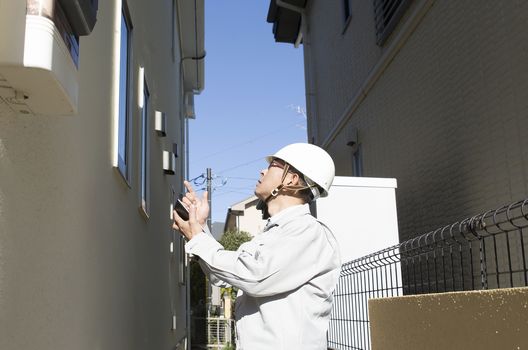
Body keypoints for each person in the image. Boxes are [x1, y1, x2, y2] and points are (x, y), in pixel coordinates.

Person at [173, 143, 341, 350]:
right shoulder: (273, 234)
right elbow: (224, 274)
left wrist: (198, 238)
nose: (263, 170)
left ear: (291, 179)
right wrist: (199, 228)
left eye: (273, 165)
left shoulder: (308, 232)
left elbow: (254, 275)